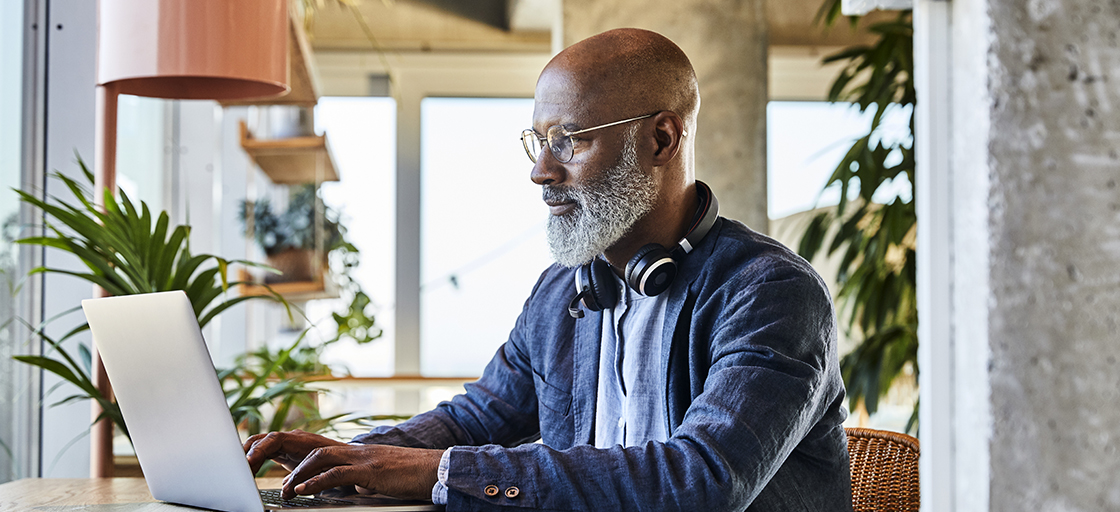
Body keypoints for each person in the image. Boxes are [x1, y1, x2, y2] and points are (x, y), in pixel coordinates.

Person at [244, 28, 852, 511]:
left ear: (662, 140)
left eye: (570, 140)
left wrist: (438, 471)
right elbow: (477, 419)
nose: (541, 172)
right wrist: (354, 456)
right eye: (538, 142)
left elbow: (703, 482)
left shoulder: (772, 293)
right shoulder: (565, 288)